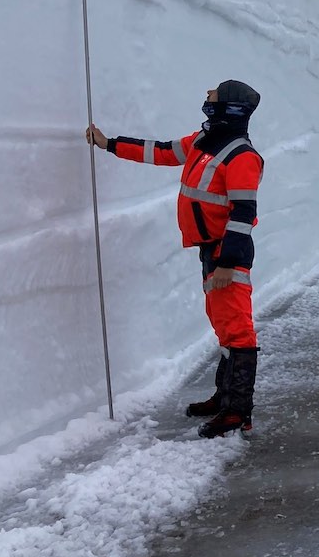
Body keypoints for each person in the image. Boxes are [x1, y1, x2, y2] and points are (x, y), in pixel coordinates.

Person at [87, 80, 265, 438]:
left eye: (214, 93)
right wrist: (109, 145)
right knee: (222, 323)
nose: (207, 96)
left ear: (229, 105)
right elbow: (162, 152)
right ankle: (223, 396)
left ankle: (237, 412)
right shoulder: (203, 141)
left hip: (226, 253)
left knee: (237, 328)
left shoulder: (242, 155)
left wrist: (227, 264)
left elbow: (243, 212)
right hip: (211, 249)